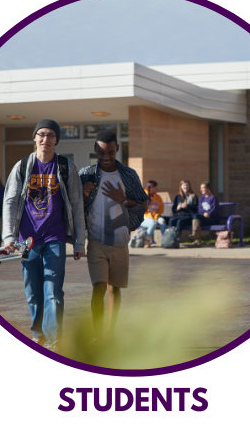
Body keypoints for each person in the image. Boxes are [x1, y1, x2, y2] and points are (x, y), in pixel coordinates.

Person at [2, 119, 85, 352]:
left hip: (54, 239)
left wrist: (79, 241)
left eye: (50, 135)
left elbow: (77, 206)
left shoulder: (66, 167)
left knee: (53, 292)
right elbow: (9, 202)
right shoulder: (21, 167)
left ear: (56, 140)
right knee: (33, 292)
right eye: (41, 134)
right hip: (26, 241)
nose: (45, 139)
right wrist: (9, 237)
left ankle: (52, 342)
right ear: (35, 138)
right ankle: (37, 335)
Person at [79, 130, 148, 344]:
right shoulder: (85, 174)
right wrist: (82, 194)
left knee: (114, 288)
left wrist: (124, 200)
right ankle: (97, 335)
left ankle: (110, 333)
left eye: (110, 152)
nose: (106, 157)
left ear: (117, 148)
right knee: (98, 287)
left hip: (120, 242)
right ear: (95, 151)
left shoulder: (128, 175)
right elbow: (73, 209)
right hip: (96, 242)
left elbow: (143, 204)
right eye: (101, 152)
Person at [192, 181, 220, 247]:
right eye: (200, 188)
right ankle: (195, 233)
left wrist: (209, 213)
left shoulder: (213, 198)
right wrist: (204, 213)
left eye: (203, 188)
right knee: (196, 216)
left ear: (208, 188)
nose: (201, 189)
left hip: (213, 219)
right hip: (204, 216)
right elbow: (199, 208)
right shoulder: (202, 198)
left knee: (198, 222)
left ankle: (197, 240)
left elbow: (215, 210)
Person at [142, 180, 167, 247]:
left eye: (156, 187)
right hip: (144, 217)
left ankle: (164, 240)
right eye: (154, 187)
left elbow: (161, 208)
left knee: (163, 221)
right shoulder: (143, 195)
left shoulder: (158, 197)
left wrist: (157, 214)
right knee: (153, 223)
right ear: (150, 187)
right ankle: (147, 241)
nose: (156, 189)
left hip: (155, 216)